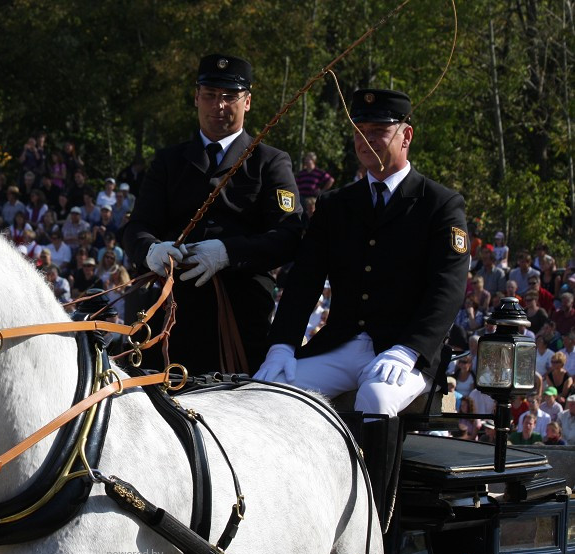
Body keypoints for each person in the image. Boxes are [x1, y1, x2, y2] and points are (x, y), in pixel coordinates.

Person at [256, 87, 469, 422]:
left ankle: (374, 479)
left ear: (406, 136)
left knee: (376, 396)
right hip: (340, 344)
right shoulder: (336, 204)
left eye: (379, 132)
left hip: (402, 350)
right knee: (268, 389)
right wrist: (282, 344)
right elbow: (305, 279)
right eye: (360, 132)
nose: (366, 140)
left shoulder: (439, 204)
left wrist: (409, 348)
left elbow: (448, 287)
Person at [123, 53, 302, 374]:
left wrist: (228, 253)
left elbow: (288, 235)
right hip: (169, 310)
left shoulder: (269, 162)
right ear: (196, 98)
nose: (218, 106)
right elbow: (138, 227)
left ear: (247, 102)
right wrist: (151, 251)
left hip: (238, 309)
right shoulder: (168, 161)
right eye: (209, 96)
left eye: (229, 97)